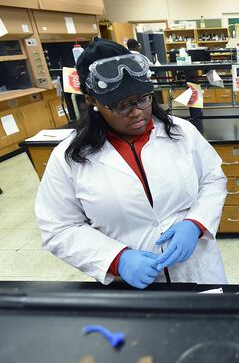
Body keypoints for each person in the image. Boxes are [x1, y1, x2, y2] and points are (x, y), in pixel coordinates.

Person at [35, 38, 228, 289]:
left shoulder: (182, 132)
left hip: (198, 271)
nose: (136, 111)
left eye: (142, 99)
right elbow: (58, 227)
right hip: (130, 283)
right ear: (92, 100)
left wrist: (196, 224)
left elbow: (213, 179)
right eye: (120, 105)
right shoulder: (68, 158)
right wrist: (116, 259)